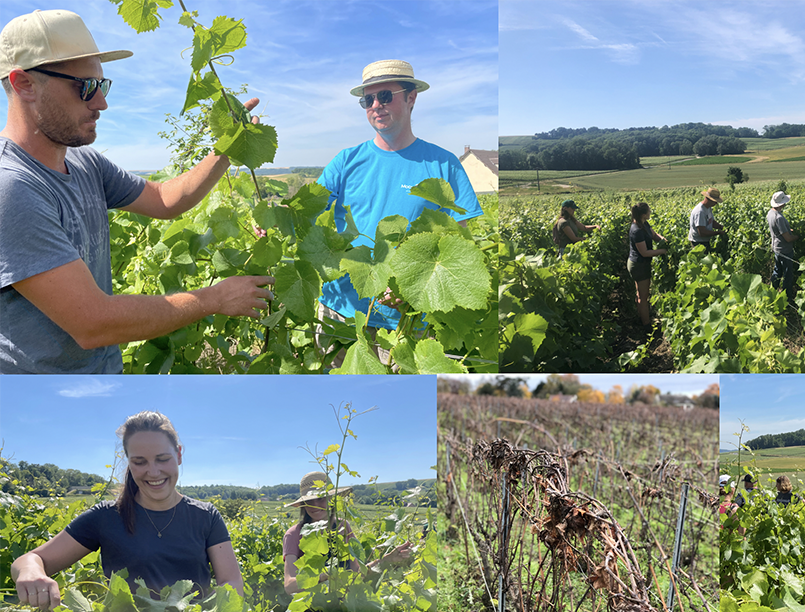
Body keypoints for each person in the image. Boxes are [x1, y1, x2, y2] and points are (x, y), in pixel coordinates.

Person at [0, 9, 274, 374]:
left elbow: (164, 200)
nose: (101, 103)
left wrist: (228, 147)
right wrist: (214, 298)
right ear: (24, 85)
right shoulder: (12, 186)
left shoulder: (85, 162)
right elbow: (93, 322)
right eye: (85, 87)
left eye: (102, 85)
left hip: (104, 374)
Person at [314, 59, 484, 366]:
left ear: (411, 97)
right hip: (340, 311)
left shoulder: (443, 165)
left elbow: (459, 249)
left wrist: (413, 291)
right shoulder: (345, 161)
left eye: (385, 96)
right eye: (368, 100)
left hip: (406, 324)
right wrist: (276, 219)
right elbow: (307, 209)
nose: (376, 105)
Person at [11, 411, 244, 609]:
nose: (153, 472)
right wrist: (31, 572)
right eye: (140, 462)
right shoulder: (107, 516)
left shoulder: (205, 516)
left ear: (179, 454)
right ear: (129, 462)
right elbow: (31, 559)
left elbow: (231, 581)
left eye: (162, 459)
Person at [282, 471, 414, 594]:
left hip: (343, 605)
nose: (315, 504)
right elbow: (289, 585)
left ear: (331, 499)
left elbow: (356, 573)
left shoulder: (342, 527)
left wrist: (387, 560)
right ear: (304, 504)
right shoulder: (293, 534)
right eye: (309, 501)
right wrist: (324, 577)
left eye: (321, 498)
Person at [627, 201, 668, 330]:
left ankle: (640, 317)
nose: (650, 212)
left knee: (640, 295)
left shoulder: (643, 224)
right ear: (644, 214)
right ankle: (646, 326)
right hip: (639, 265)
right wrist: (662, 251)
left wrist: (663, 240)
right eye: (649, 211)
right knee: (643, 297)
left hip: (638, 263)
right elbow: (644, 253)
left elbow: (654, 235)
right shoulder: (637, 230)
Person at [766, 191, 798, 301]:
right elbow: (788, 238)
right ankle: (786, 298)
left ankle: (772, 293)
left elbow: (779, 231)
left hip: (776, 247)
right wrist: (797, 236)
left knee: (777, 271)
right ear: (782, 204)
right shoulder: (779, 217)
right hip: (784, 249)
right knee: (788, 274)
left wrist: (788, 230)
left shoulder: (770, 213)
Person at [689, 187, 727, 255]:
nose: (716, 203)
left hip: (704, 241)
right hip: (698, 243)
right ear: (708, 199)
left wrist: (720, 226)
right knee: (702, 263)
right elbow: (702, 232)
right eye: (715, 201)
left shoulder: (708, 207)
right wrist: (718, 233)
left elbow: (711, 221)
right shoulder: (700, 212)